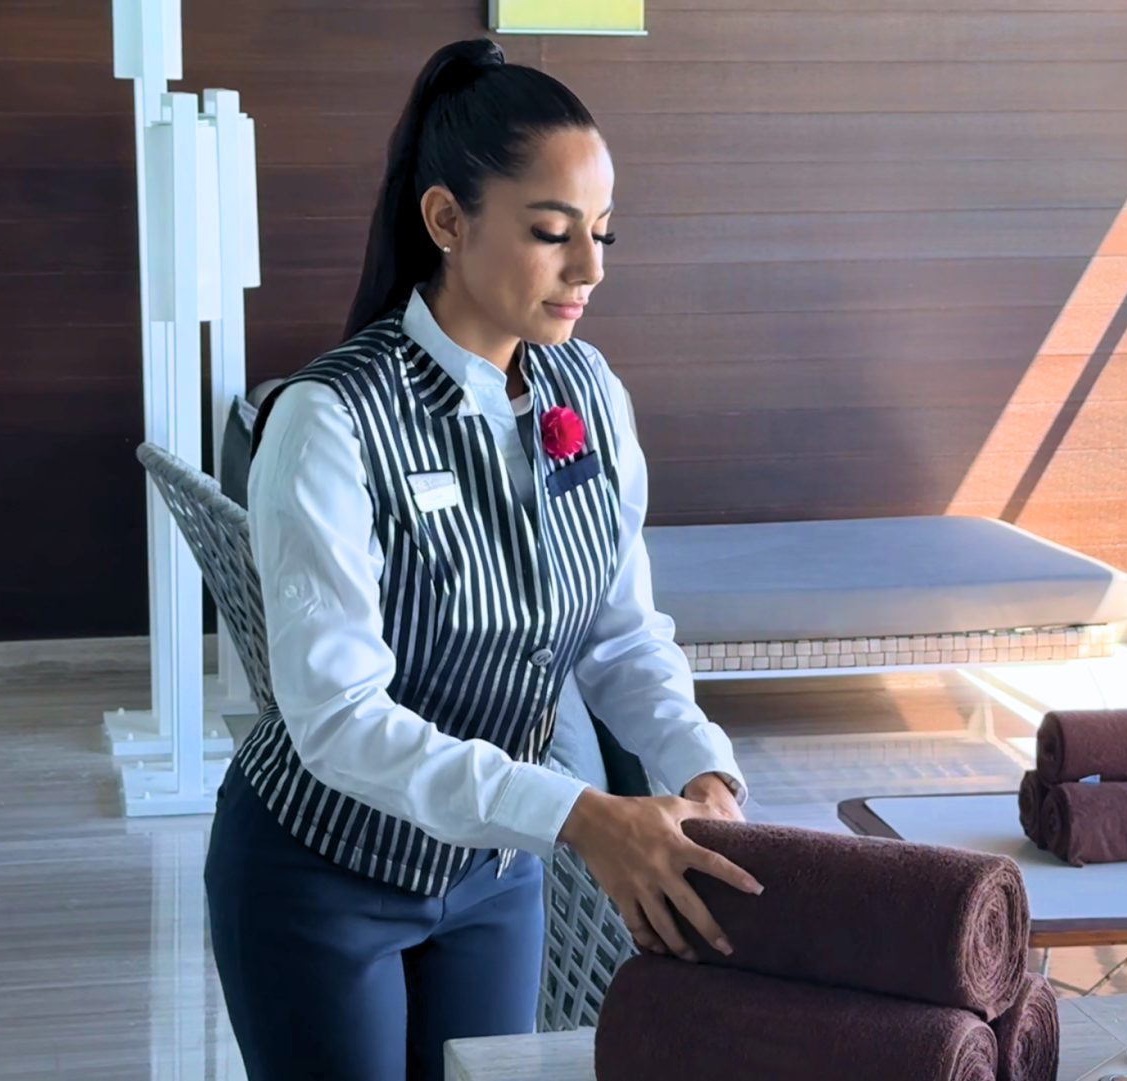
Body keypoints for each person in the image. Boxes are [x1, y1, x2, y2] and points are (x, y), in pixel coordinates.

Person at [201, 36, 764, 1081]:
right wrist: (582, 813)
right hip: (319, 871)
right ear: (447, 221)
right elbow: (337, 718)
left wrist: (701, 765)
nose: (590, 269)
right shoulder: (330, 420)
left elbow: (618, 632)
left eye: (602, 234)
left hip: (496, 876)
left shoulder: (588, 390)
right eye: (553, 234)